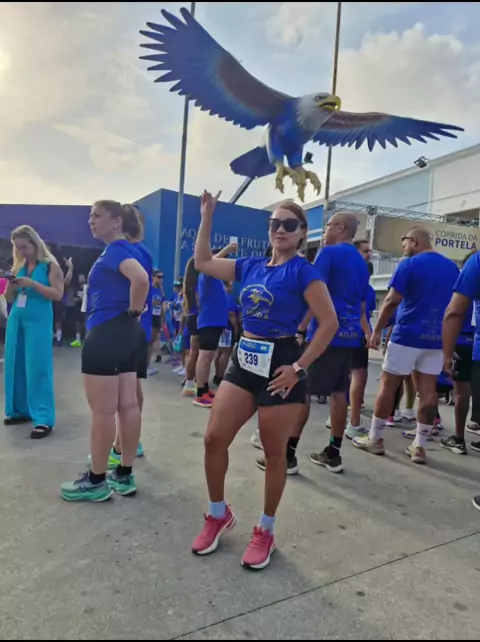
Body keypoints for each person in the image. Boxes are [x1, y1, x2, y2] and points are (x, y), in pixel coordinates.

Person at [191, 191, 338, 570]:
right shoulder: (252, 266)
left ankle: (265, 530)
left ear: (302, 233)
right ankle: (217, 514)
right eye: (274, 223)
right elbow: (203, 262)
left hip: (282, 365)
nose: (280, 229)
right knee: (213, 438)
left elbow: (329, 323)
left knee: (274, 453)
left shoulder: (304, 272)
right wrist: (207, 216)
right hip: (245, 360)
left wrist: (299, 367)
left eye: (289, 224)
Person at [60, 200, 149, 502]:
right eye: (90, 216)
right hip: (128, 332)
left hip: (109, 330)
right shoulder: (129, 249)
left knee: (103, 411)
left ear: (117, 221)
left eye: (97, 216)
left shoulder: (116, 251)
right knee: (128, 406)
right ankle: (123, 474)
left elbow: (141, 279)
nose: (91, 221)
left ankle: (96, 481)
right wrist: (132, 317)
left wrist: (133, 311)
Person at [353, 226, 459, 465]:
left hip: (407, 335)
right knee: (428, 391)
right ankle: (419, 446)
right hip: (436, 338)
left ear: (415, 241)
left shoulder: (409, 265)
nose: (404, 250)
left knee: (388, 386)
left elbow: (392, 299)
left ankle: (375, 438)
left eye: (405, 244)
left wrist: (377, 330)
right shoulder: (452, 268)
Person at [293, 212, 371, 475]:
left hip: (325, 334)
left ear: (339, 227)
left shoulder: (328, 253)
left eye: (327, 225)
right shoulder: (361, 261)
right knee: (339, 393)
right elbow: (361, 304)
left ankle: (288, 455)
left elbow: (314, 294)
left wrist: (301, 328)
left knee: (302, 391)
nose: (325, 231)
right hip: (349, 335)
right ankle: (333, 453)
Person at [4, 225, 65, 438]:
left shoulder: (50, 266)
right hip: (17, 319)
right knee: (15, 365)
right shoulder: (19, 266)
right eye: (17, 247)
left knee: (38, 367)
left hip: (38, 320)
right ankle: (20, 410)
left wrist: (32, 284)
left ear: (35, 243)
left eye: (24, 247)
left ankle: (43, 418)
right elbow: (9, 298)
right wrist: (10, 287)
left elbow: (57, 294)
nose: (21, 251)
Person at [442, 251, 480, 464]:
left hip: (464, 343)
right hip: (471, 342)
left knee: (461, 393)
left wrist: (446, 352)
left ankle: (458, 438)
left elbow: (452, 313)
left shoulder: (463, 287)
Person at [194, 243, 236, 408]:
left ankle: (205, 388)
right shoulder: (207, 274)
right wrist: (227, 250)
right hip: (208, 322)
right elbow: (209, 262)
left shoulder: (217, 279)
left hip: (216, 322)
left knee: (209, 357)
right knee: (204, 357)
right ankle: (200, 394)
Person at [346, 240, 377, 439]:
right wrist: (368, 333)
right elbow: (362, 312)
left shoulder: (339, 276)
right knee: (358, 376)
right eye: (365, 251)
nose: (369, 255)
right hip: (354, 333)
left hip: (338, 332)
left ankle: (338, 417)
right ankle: (354, 423)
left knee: (344, 377)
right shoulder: (361, 284)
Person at [213, 282, 239, 386]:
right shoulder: (227, 298)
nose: (232, 288)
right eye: (230, 285)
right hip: (227, 328)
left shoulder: (217, 297)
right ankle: (220, 376)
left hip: (218, 327)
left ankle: (217, 375)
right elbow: (231, 314)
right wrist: (236, 328)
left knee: (219, 352)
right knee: (225, 353)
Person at [182, 258, 200, 397]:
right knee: (198, 354)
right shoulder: (199, 284)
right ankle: (191, 382)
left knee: (193, 353)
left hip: (191, 317)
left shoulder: (188, 285)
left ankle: (189, 381)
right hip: (198, 318)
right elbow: (200, 303)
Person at [53, 257, 74, 346]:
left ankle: (58, 339)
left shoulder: (60, 284)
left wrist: (70, 267)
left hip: (57, 304)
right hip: (46, 304)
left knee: (58, 322)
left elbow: (66, 281)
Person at [70, 274, 87, 347]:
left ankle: (87, 340)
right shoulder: (76, 289)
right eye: (80, 278)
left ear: (85, 279)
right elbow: (74, 299)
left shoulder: (88, 288)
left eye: (82, 278)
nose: (81, 279)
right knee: (78, 324)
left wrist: (84, 299)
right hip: (78, 308)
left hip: (86, 308)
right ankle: (78, 340)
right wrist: (79, 299)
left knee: (86, 323)